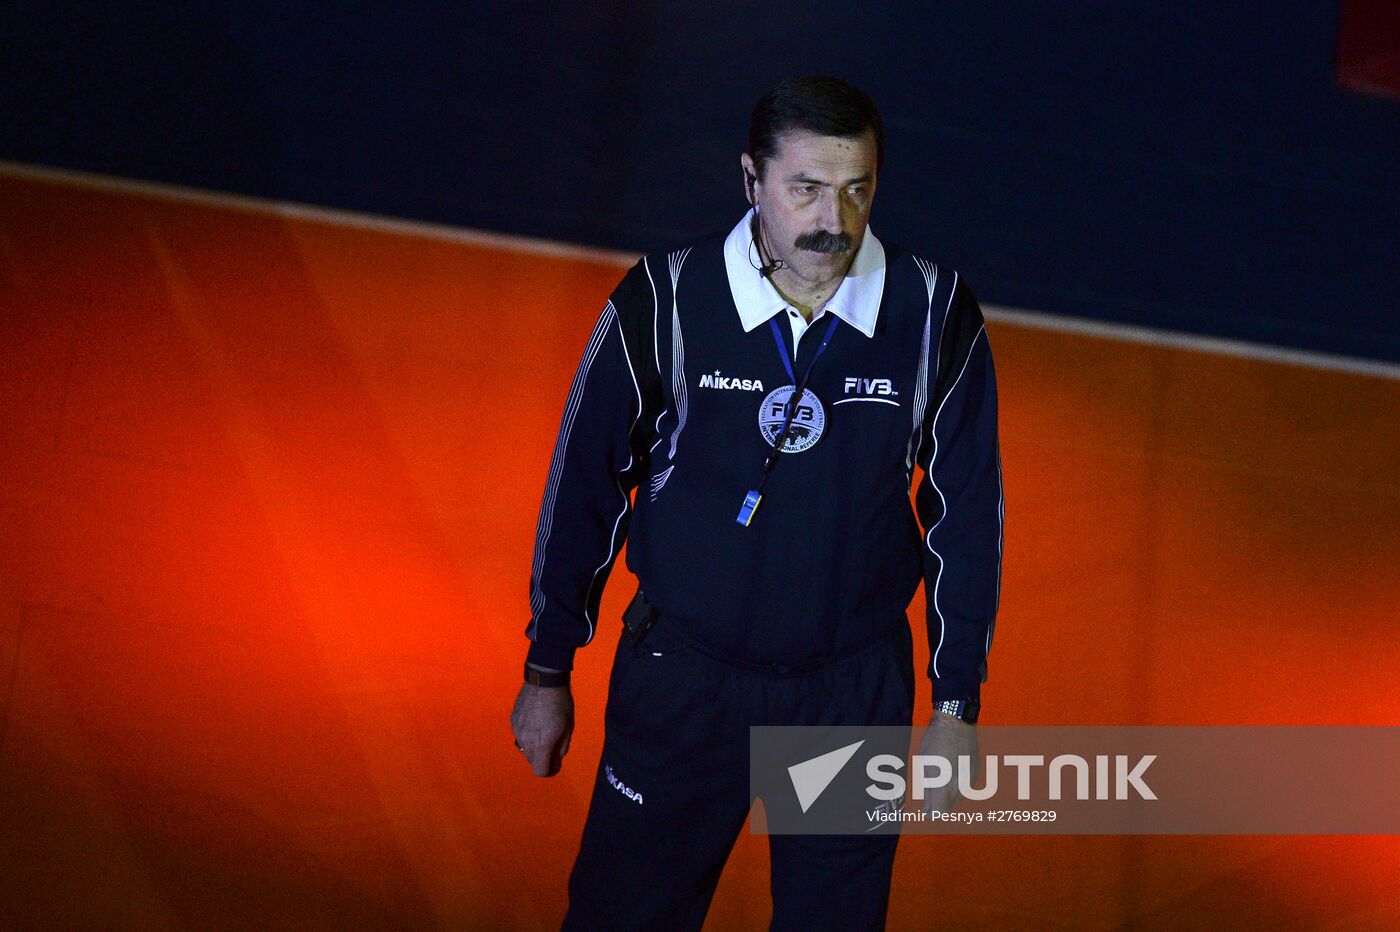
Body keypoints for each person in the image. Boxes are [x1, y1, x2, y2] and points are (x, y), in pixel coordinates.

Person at [510, 75, 1002, 930]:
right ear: (751, 180)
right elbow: (583, 487)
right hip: (681, 681)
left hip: (850, 694)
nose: (834, 222)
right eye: (805, 188)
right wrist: (547, 669)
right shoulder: (664, 299)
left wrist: (956, 704)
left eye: (858, 189)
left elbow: (969, 520)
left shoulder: (934, 313)